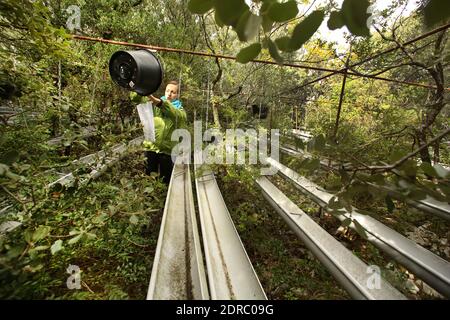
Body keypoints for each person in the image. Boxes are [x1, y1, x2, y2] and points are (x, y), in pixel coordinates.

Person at [131, 81, 186, 184]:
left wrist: (157, 101)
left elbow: (172, 112)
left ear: (177, 95)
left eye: (173, 92)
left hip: (168, 152)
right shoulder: (154, 105)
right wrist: (138, 86)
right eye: (167, 91)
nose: (169, 94)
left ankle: (163, 199)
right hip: (151, 148)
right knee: (148, 180)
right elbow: (136, 98)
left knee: (165, 182)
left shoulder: (180, 111)